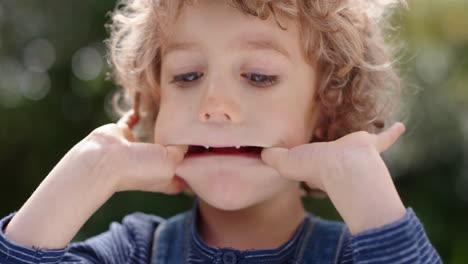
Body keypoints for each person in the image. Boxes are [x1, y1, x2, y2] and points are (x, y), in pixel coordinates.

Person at [0, 0, 442, 263]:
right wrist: (89, 167)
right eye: (188, 76)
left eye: (259, 76)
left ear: (327, 108)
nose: (213, 106)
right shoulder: (134, 251)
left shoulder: (357, 255)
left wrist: (371, 200)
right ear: (154, 100)